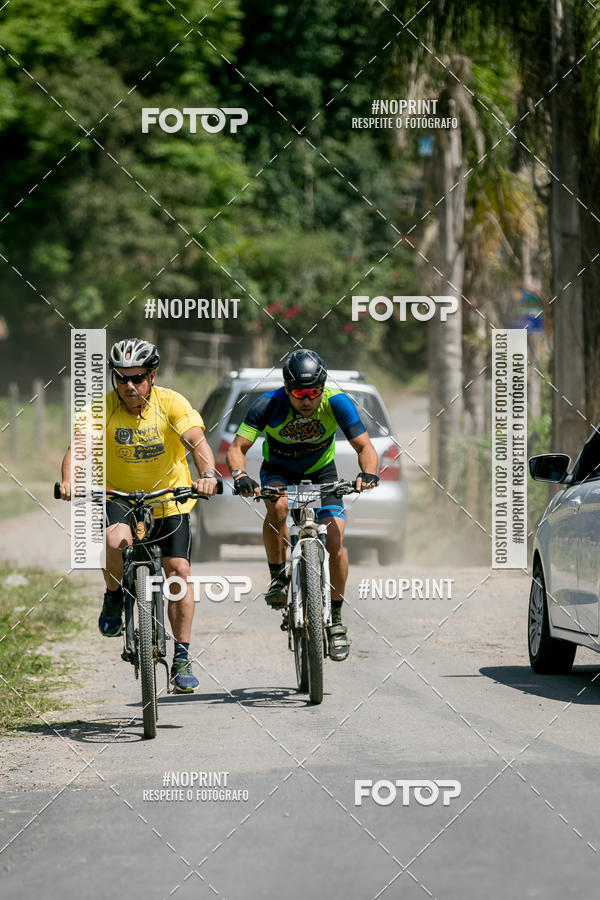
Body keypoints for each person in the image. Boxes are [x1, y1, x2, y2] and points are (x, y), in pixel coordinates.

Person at [58, 337, 219, 693]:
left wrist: (207, 475)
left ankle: (182, 657)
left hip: (170, 500)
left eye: (138, 378)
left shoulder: (172, 403)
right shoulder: (102, 408)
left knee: (179, 571)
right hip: (119, 497)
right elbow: (79, 447)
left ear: (152, 376)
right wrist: (69, 480)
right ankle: (114, 595)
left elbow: (196, 440)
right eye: (121, 378)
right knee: (114, 541)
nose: (129, 386)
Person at [226, 349, 379, 661]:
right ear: (287, 389)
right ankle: (278, 577)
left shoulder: (337, 402)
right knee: (278, 508)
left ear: (322, 388)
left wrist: (368, 473)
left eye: (314, 392)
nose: (307, 400)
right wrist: (240, 475)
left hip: (322, 473)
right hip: (278, 472)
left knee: (335, 541)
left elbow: (365, 446)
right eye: (299, 393)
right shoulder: (268, 404)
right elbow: (237, 447)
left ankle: (336, 620)